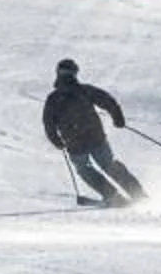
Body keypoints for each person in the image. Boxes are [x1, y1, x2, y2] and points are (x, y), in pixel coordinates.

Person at [43, 58, 146, 206]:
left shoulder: (54, 98)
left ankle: (112, 195)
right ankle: (136, 193)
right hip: (95, 137)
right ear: (75, 73)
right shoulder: (84, 90)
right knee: (108, 165)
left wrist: (56, 140)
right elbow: (107, 101)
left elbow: (48, 123)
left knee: (85, 170)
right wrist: (117, 117)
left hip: (75, 142)